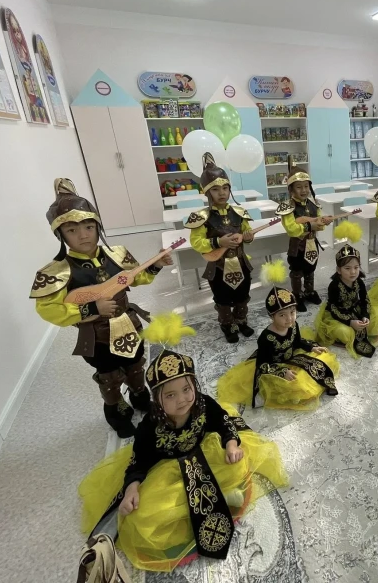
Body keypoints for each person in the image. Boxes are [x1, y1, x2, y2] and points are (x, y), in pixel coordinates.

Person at [79, 327, 288, 572]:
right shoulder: (150, 427)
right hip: (168, 469)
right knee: (144, 514)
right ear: (157, 400)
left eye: (187, 389)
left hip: (204, 455)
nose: (182, 399)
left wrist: (231, 443)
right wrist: (132, 487)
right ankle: (199, 508)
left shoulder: (203, 404)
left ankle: (222, 493)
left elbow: (223, 422)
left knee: (237, 462)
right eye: (170, 395)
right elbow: (139, 461)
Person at [31, 179, 171, 438]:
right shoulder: (58, 271)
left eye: (88, 226)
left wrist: (156, 264)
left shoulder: (116, 254)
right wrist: (90, 308)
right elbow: (48, 308)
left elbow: (137, 277)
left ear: (98, 226)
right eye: (72, 230)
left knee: (136, 366)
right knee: (110, 377)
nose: (83, 235)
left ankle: (141, 398)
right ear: (60, 234)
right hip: (97, 337)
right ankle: (117, 413)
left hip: (129, 325)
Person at [217, 261, 340, 410]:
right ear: (272, 317)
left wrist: (311, 348)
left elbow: (297, 342)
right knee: (295, 386)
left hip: (292, 357)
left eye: (292, 312)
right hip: (274, 365)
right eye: (282, 315)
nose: (289, 319)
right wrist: (282, 372)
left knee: (321, 363)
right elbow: (262, 365)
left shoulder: (293, 325)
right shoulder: (266, 338)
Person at [185, 154, 255, 343]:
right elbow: (196, 242)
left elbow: (246, 231)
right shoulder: (201, 217)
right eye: (215, 189)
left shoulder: (239, 212)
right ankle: (227, 325)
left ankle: (241, 321)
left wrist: (248, 237)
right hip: (218, 266)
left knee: (242, 295)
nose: (221, 193)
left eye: (225, 188)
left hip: (241, 263)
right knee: (222, 299)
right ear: (207, 192)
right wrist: (217, 242)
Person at [315, 222, 378, 357]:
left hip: (356, 310)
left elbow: (365, 301)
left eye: (356, 267)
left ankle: (363, 330)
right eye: (347, 268)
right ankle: (348, 336)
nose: (353, 272)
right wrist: (350, 322)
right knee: (345, 333)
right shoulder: (334, 286)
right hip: (339, 316)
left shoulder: (359, 282)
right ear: (339, 270)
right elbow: (334, 309)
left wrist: (365, 316)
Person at [276, 158, 330, 311]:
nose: (304, 190)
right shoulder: (287, 207)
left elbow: (319, 225)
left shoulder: (313, 204)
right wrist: (310, 225)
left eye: (306, 186)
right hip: (297, 246)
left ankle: (309, 291)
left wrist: (323, 222)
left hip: (312, 244)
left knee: (310, 269)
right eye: (299, 187)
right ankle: (297, 295)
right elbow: (291, 229)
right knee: (297, 271)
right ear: (291, 189)